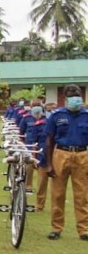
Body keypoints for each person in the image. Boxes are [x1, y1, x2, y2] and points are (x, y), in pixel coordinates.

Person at [45, 84, 88, 240]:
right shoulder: (56, 115)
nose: (75, 98)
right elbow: (49, 140)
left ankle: (83, 229)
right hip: (61, 153)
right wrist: (48, 164)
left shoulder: (86, 114)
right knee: (58, 194)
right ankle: (56, 228)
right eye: (72, 96)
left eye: (77, 95)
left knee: (82, 195)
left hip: (82, 154)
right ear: (65, 98)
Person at [22, 99, 49, 211]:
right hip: (31, 150)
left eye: (39, 105)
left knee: (42, 180)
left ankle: (40, 204)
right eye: (35, 105)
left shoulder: (48, 121)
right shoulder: (27, 118)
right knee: (28, 170)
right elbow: (24, 134)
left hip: (46, 153)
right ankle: (27, 187)